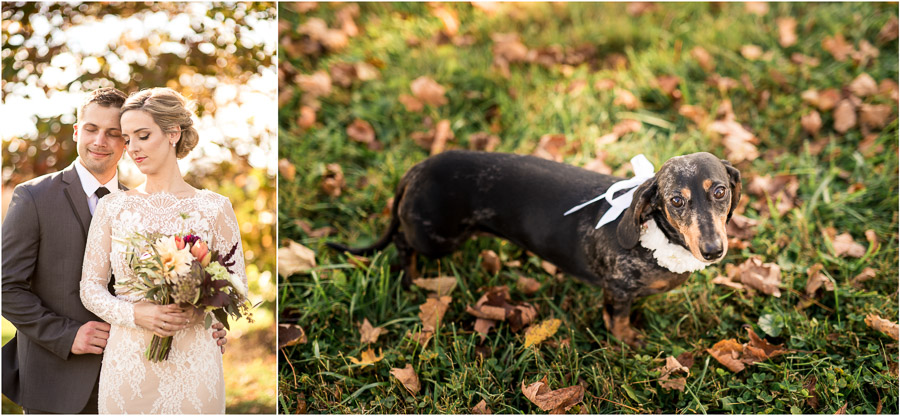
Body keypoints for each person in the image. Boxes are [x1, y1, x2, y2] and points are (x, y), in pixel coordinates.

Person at [1, 88, 227, 414]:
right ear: (78, 131)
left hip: (133, 374)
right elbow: (6, 287)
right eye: (91, 129)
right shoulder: (34, 197)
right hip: (57, 377)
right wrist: (67, 336)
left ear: (127, 142)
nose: (100, 141)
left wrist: (205, 318)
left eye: (113, 134)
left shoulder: (139, 205)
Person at [79, 87, 247, 413]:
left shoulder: (215, 207)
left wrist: (202, 311)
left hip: (194, 360)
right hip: (128, 363)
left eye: (143, 136)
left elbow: (237, 286)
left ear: (172, 133)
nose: (133, 149)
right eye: (127, 139)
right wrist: (135, 314)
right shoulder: (112, 208)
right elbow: (90, 288)